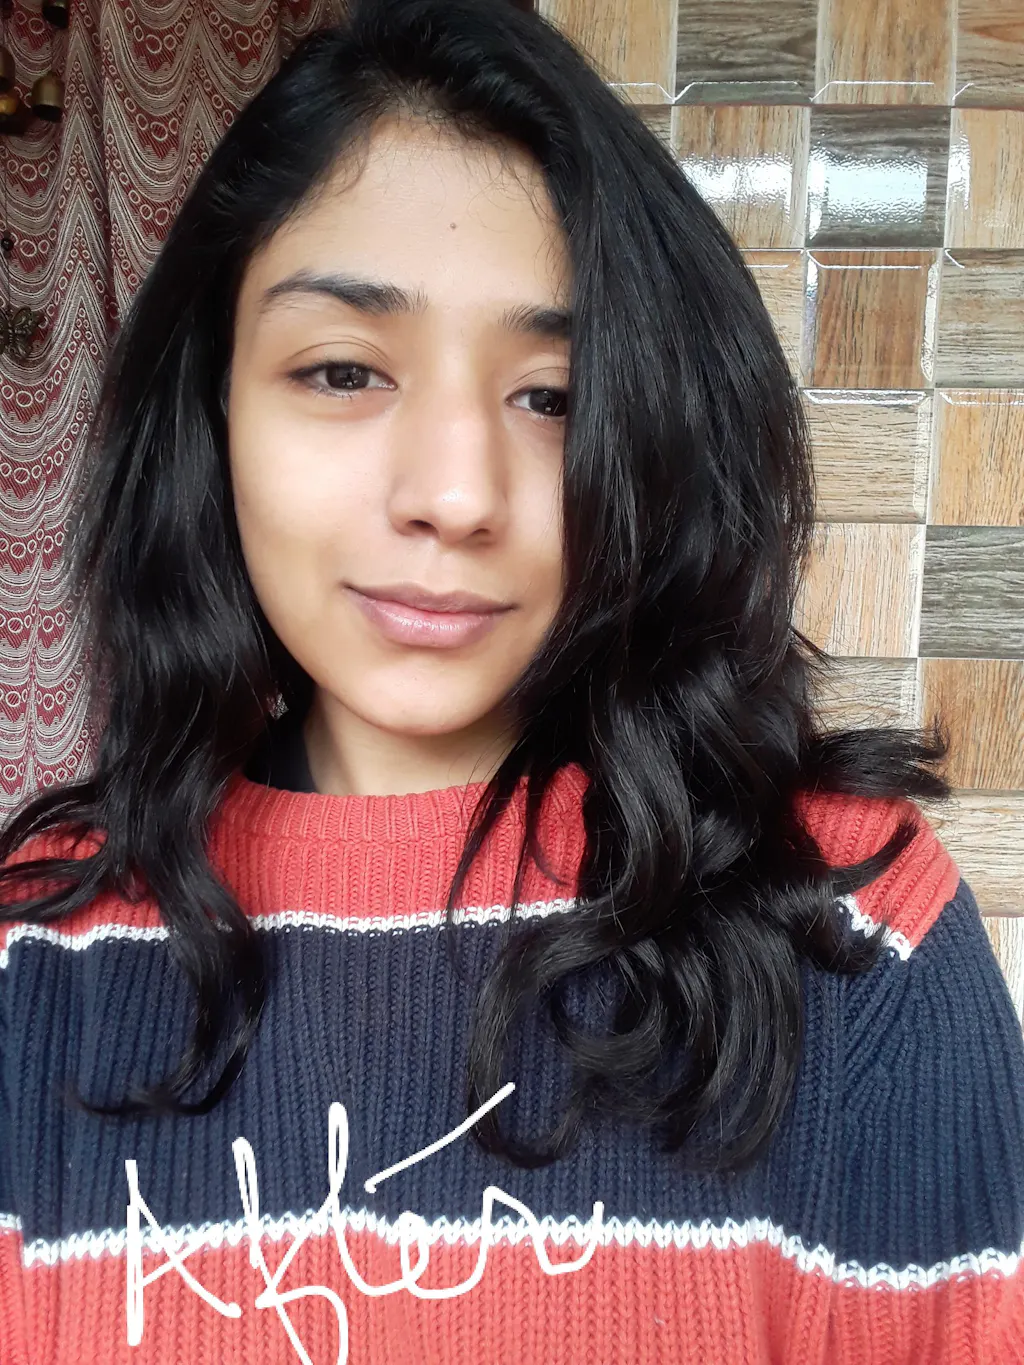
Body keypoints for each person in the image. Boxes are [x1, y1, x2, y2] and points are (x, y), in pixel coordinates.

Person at [1, 0, 1022, 1361]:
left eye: (555, 397)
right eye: (343, 370)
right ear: (212, 410)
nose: (456, 495)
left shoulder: (852, 926)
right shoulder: (39, 955)